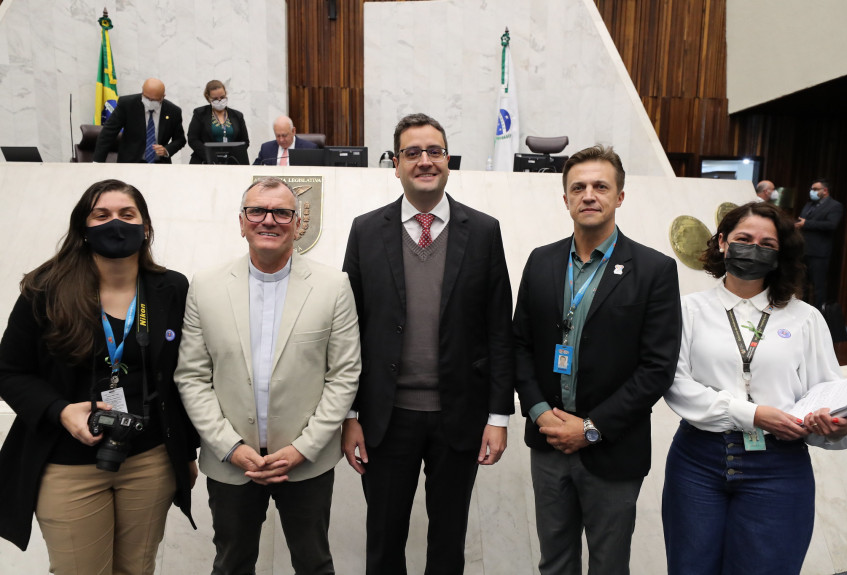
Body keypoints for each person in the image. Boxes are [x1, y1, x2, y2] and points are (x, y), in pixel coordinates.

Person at [341, 112, 514, 574]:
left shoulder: (483, 231)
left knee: (447, 545)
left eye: (433, 151)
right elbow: (349, 331)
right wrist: (351, 414)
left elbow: (500, 329)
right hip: (384, 418)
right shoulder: (364, 230)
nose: (424, 161)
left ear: (448, 161)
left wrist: (498, 416)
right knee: (383, 542)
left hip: (460, 418)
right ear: (395, 164)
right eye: (412, 152)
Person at [0, 179, 198, 574]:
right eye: (101, 215)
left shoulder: (171, 288)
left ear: (145, 228)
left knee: (137, 569)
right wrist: (59, 410)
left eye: (127, 215)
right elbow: (9, 371)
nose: (115, 224)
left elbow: (184, 376)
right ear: (83, 228)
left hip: (149, 459)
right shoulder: (45, 290)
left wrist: (185, 452)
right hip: (67, 463)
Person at [663, 201, 847, 575]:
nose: (754, 249)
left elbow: (828, 393)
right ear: (722, 242)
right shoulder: (689, 310)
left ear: (780, 253)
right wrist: (752, 413)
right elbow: (674, 383)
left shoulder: (805, 318)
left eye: (767, 244)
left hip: (779, 466)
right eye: (744, 238)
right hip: (698, 462)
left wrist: (835, 424)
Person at [175, 177, 360, 575]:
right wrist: (228, 445)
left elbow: (344, 376)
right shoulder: (205, 287)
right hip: (230, 463)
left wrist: (303, 448)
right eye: (257, 211)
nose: (268, 220)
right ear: (242, 222)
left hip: (305, 462)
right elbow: (192, 377)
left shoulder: (333, 286)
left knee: (314, 564)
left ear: (297, 224)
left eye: (281, 212)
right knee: (231, 564)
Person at [512, 144, 682, 575]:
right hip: (548, 441)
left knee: (608, 565)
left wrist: (590, 429)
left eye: (600, 186)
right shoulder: (541, 261)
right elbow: (519, 345)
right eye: (579, 187)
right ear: (565, 198)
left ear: (619, 197)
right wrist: (538, 413)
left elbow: (656, 368)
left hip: (613, 448)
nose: (589, 195)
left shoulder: (654, 269)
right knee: (554, 561)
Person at [93, 78, 186, 163]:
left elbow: (180, 139)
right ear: (142, 91)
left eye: (153, 100)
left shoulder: (173, 111)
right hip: (130, 163)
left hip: (159, 165)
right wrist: (97, 162)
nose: (149, 102)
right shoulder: (127, 104)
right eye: (146, 97)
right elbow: (108, 133)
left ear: (163, 96)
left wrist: (167, 150)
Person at [794, 178, 844, 309]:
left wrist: (807, 224)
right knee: (802, 284)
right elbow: (802, 220)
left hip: (819, 252)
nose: (812, 192)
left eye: (815, 189)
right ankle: (801, 310)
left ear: (825, 190)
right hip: (804, 250)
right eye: (811, 189)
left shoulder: (835, 206)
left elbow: (831, 225)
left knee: (818, 286)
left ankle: (818, 314)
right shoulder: (809, 205)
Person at [187, 79, 250, 165]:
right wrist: (210, 156)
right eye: (215, 99)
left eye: (222, 97)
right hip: (204, 162)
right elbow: (193, 139)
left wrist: (231, 157)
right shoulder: (200, 113)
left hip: (233, 163)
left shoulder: (237, 115)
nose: (220, 101)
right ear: (208, 98)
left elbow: (245, 141)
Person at [253, 116, 319, 165]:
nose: (281, 140)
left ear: (293, 131)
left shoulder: (309, 149)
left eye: (284, 135)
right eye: (278, 136)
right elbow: (254, 170)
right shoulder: (266, 148)